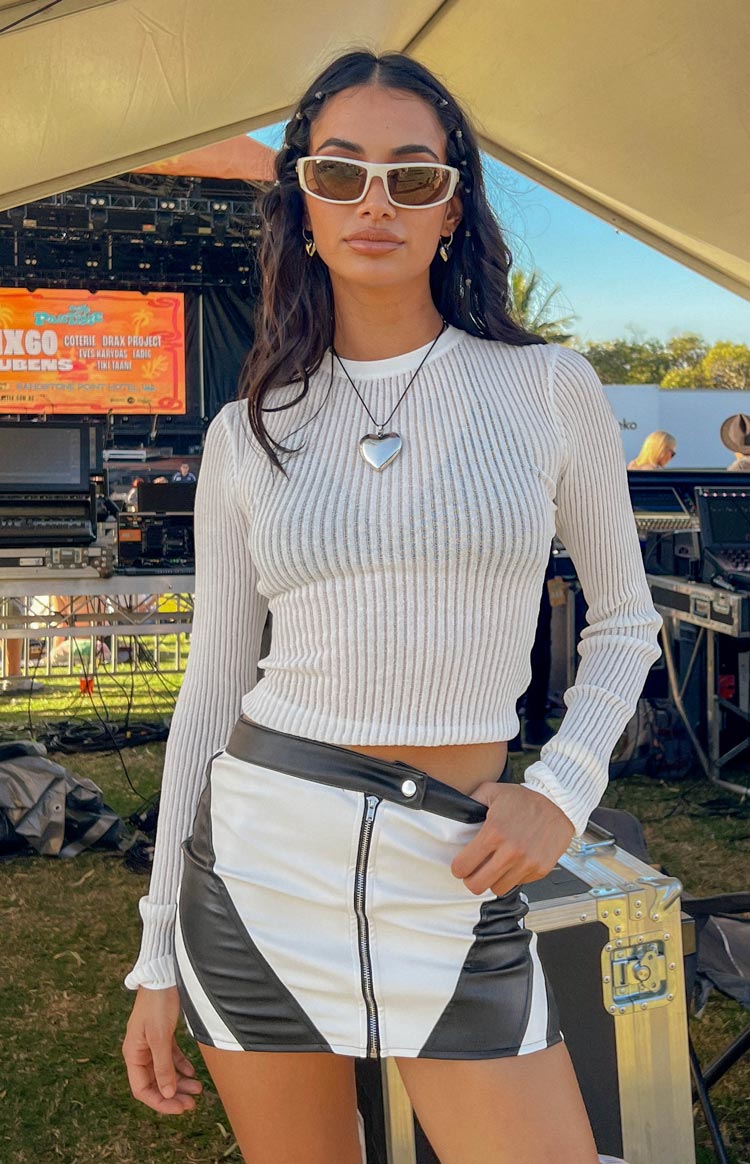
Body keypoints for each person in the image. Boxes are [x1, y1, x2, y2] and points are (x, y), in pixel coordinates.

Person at [122, 51, 661, 1164]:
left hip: (452, 868)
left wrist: (562, 791)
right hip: (260, 865)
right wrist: (157, 947)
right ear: (303, 202)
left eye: (413, 176)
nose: (377, 202)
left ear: (453, 207)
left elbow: (625, 622)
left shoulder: (545, 386)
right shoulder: (248, 430)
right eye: (342, 172)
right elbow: (212, 691)